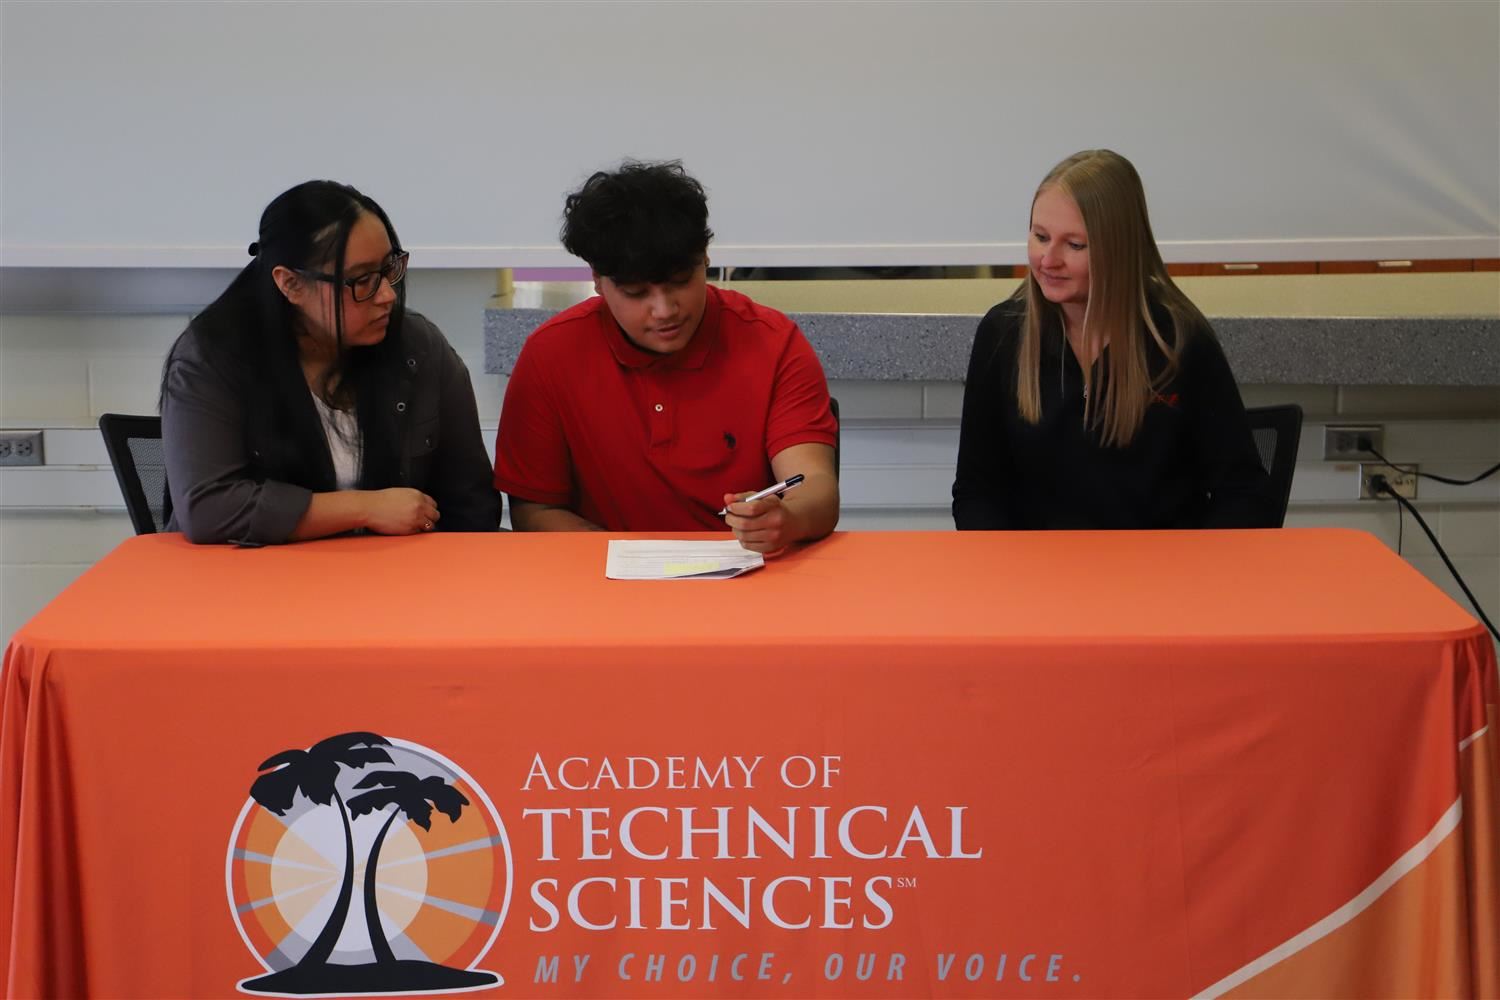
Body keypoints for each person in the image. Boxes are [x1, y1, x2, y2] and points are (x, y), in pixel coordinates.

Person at [494, 160, 839, 553]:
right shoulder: (550, 355)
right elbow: (533, 511)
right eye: (636, 293)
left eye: (680, 282)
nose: (664, 310)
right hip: (600, 585)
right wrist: (631, 556)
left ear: (706, 257)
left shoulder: (773, 343)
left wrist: (788, 520)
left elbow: (814, 486)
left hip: (745, 580)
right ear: (597, 280)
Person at [160, 180, 500, 545]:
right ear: (290, 284)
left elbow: (473, 505)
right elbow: (209, 509)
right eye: (362, 280)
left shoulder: (418, 348)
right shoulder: (213, 358)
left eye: (389, 269)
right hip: (253, 585)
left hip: (396, 581)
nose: (386, 295)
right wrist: (364, 508)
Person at [953, 149, 1272, 530]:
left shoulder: (1178, 339)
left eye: (1074, 245)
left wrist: (1190, 579)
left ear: (1119, 250)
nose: (1047, 260)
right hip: (1040, 577)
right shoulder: (1003, 334)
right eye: (1040, 237)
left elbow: (1244, 494)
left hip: (1158, 576)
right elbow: (976, 493)